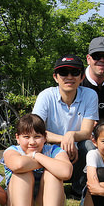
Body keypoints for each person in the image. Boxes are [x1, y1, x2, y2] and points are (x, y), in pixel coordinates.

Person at [1, 114, 73, 206]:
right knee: (23, 173)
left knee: (53, 174)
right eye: (26, 137)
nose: (32, 142)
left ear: (45, 137)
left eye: (37, 137)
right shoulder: (12, 151)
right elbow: (18, 164)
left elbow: (66, 172)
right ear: (17, 137)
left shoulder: (54, 151)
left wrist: (37, 156)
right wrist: (49, 162)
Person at [32, 54, 98, 197]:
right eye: (63, 72)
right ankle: (43, 185)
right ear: (55, 77)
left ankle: (79, 189)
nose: (69, 77)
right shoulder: (45, 96)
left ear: (82, 77)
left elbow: (87, 132)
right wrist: (64, 139)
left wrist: (71, 135)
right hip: (50, 146)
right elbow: (36, 131)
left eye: (74, 72)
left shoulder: (90, 95)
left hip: (78, 148)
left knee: (89, 147)